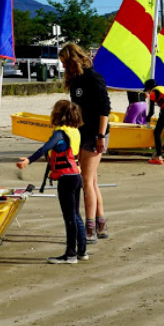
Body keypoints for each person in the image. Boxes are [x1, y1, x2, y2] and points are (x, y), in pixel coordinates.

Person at [16, 100, 88, 263]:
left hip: (67, 179)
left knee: (70, 217)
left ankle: (71, 254)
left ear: (58, 115)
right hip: (76, 177)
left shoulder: (60, 134)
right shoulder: (75, 131)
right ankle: (82, 251)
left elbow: (45, 148)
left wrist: (28, 160)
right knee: (76, 215)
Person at [59, 42, 110, 243]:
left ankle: (89, 228)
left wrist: (101, 136)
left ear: (73, 59)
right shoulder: (75, 81)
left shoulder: (94, 77)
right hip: (82, 133)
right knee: (92, 180)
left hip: (96, 133)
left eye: (64, 62)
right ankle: (101, 223)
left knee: (86, 180)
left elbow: (104, 109)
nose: (63, 66)